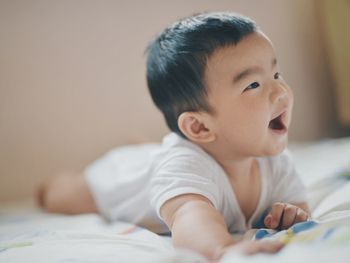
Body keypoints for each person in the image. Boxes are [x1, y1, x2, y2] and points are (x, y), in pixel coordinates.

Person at [37, 12, 310, 260]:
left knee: (155, 158)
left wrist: (290, 212)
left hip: (161, 162)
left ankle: (144, 149)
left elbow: (297, 203)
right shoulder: (185, 168)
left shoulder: (276, 162)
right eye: (253, 84)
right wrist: (222, 250)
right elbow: (189, 218)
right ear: (199, 128)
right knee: (62, 196)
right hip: (117, 180)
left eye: (276, 74)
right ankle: (56, 183)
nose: (281, 91)